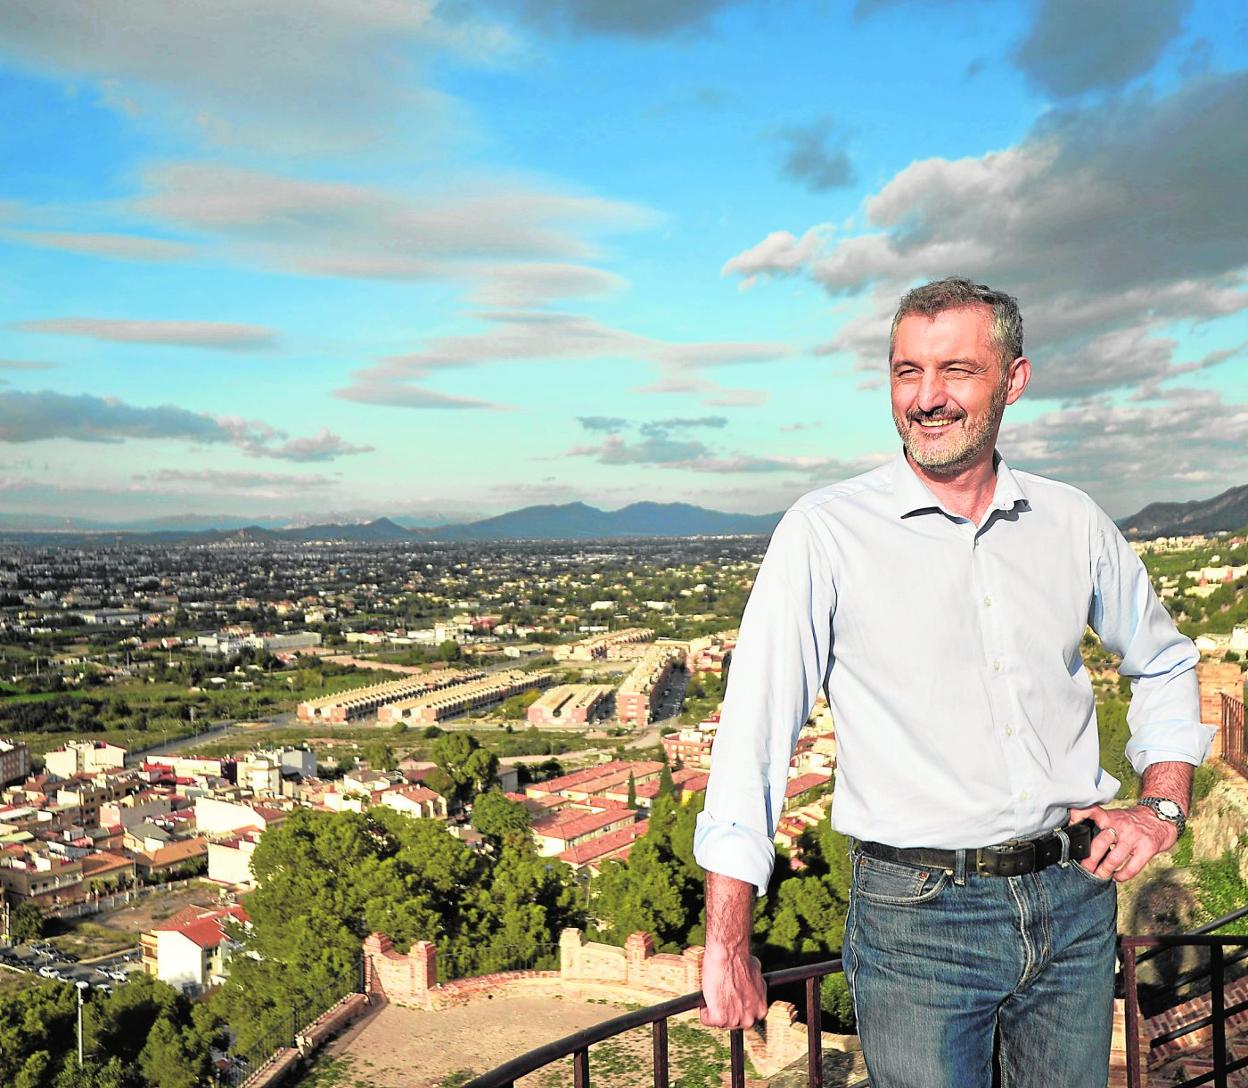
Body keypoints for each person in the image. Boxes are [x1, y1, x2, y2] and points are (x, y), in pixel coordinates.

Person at [692, 277, 1214, 1088]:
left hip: (1073, 899)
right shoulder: (824, 533)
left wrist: (1164, 802)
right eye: (907, 372)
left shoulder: (1072, 521)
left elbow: (1165, 659)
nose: (926, 398)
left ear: (1014, 380)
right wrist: (727, 939)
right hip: (917, 920)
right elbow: (754, 734)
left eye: (956, 371)